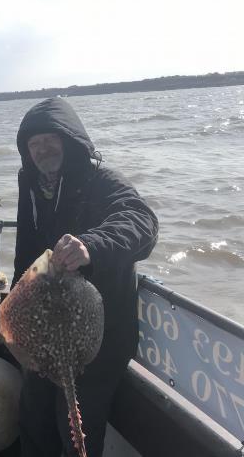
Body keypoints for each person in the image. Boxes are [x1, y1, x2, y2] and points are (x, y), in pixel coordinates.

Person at [12, 97, 159, 457]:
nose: (43, 149)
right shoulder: (32, 185)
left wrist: (91, 246)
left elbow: (143, 222)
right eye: (34, 144)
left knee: (76, 427)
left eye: (51, 139)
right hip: (45, 328)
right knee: (33, 418)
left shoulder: (101, 180)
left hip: (99, 332)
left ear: (70, 140)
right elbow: (26, 251)